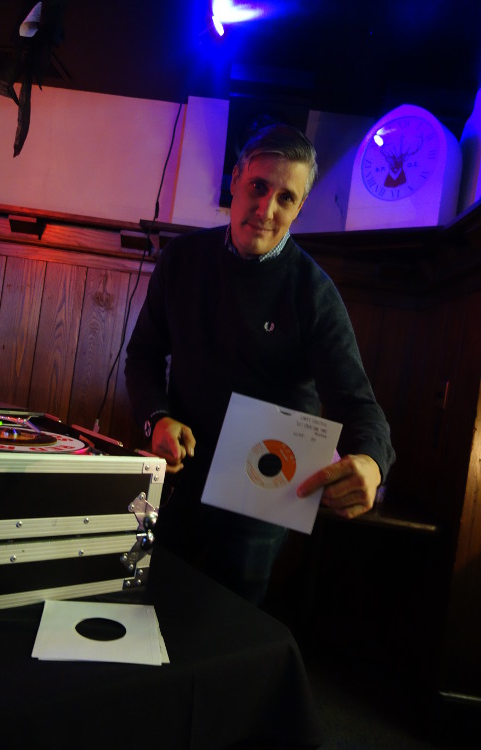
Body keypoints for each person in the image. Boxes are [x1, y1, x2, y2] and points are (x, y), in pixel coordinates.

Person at [125, 123, 395, 604]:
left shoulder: (314, 292)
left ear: (300, 206)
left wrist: (372, 464)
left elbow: (358, 404)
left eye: (285, 198)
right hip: (176, 478)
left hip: (262, 495)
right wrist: (157, 418)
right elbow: (142, 356)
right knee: (143, 600)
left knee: (224, 626)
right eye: (258, 186)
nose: (267, 210)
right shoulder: (181, 259)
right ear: (236, 179)